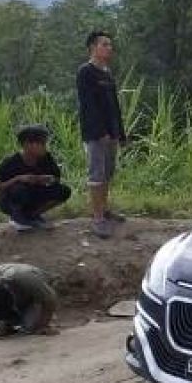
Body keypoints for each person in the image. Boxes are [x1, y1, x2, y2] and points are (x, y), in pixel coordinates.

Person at [76, 30, 126, 239]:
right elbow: (88, 106)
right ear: (93, 47)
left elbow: (114, 106)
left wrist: (120, 133)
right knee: (97, 175)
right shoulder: (86, 72)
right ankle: (97, 219)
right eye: (104, 44)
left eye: (110, 45)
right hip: (96, 134)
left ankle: (104, 210)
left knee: (107, 173)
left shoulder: (107, 72)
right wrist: (100, 132)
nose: (109, 48)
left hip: (111, 132)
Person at [0, 125, 71, 232]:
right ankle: (18, 217)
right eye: (41, 144)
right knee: (19, 189)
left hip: (34, 194)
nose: (44, 147)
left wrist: (44, 179)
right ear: (27, 145)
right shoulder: (10, 162)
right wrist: (18, 179)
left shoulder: (46, 158)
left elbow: (55, 179)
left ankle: (31, 216)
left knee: (63, 191)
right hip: (11, 199)